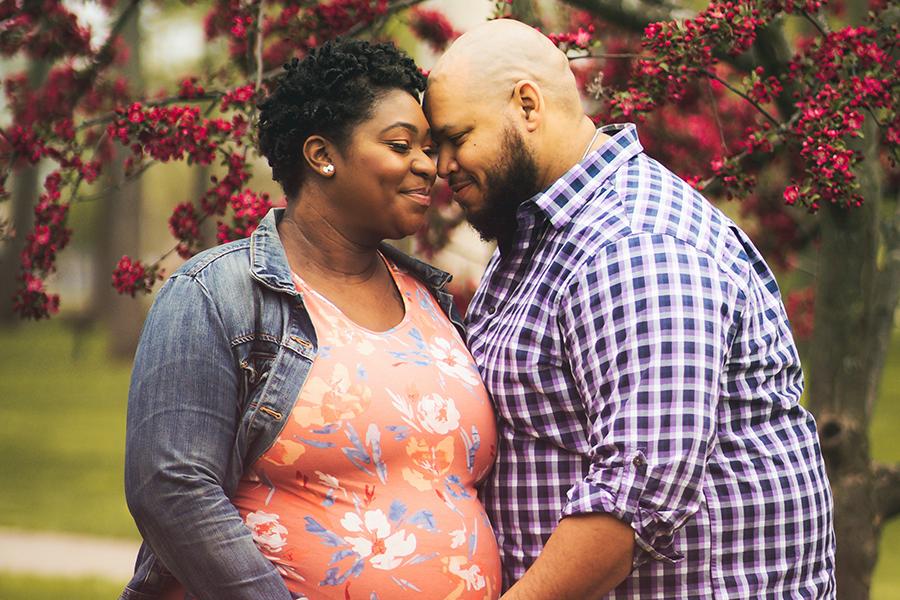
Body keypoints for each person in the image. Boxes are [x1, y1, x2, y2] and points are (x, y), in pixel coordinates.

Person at [423, 18, 836, 599]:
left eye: (456, 137)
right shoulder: (542, 236)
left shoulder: (633, 243)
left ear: (527, 104)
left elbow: (634, 502)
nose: (442, 165)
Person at [122, 38, 500, 600]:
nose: (430, 167)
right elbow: (172, 488)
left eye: (430, 147)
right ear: (322, 155)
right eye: (401, 145)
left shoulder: (432, 301)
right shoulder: (215, 293)